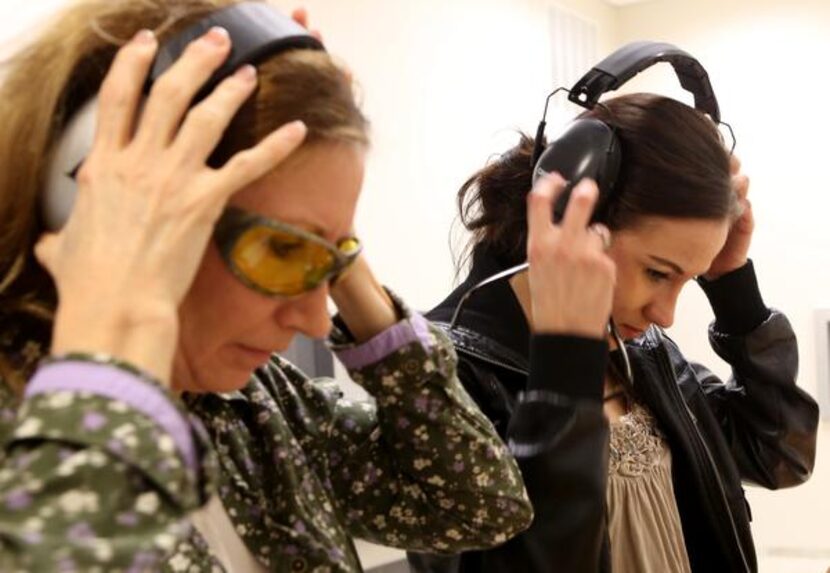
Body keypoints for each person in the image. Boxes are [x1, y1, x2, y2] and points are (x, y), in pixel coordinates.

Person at [0, 1, 532, 571]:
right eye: (282, 250)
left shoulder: (254, 404)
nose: (311, 320)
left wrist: (340, 258)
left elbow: (480, 505)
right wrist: (113, 365)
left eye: (333, 256)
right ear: (91, 203)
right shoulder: (28, 431)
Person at [409, 93, 819, 572]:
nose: (665, 315)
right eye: (658, 273)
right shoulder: (449, 373)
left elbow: (779, 452)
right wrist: (565, 366)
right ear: (573, 216)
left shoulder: (643, 353)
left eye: (690, 277)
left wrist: (734, 289)